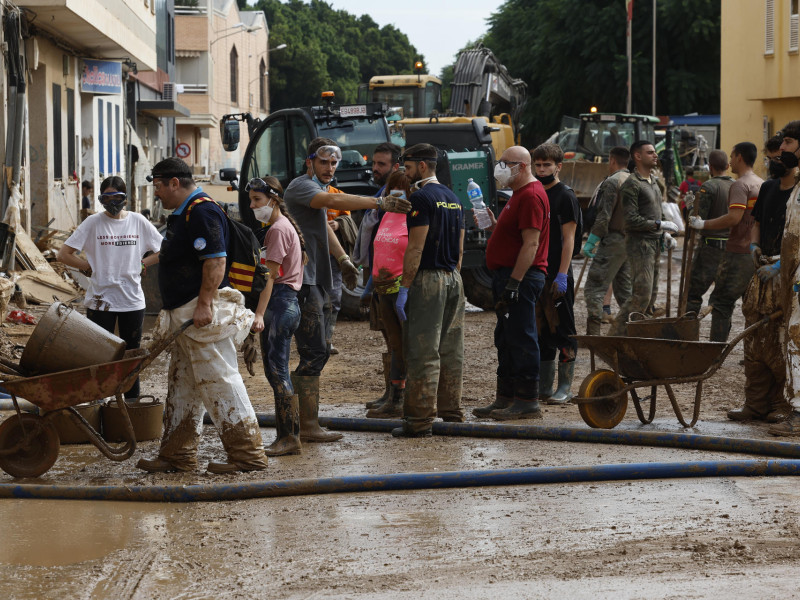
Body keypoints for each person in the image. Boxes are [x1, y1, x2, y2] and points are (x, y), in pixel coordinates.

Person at [136, 157, 267, 474]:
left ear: (174, 183)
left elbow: (215, 261)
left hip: (202, 314)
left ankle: (247, 455)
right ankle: (177, 454)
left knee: (220, 380)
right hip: (185, 316)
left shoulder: (202, 211)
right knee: (182, 386)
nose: (156, 193)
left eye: (157, 186)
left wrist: (205, 304)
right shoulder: (184, 214)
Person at [284, 138, 410, 443]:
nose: (330, 168)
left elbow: (323, 225)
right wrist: (378, 202)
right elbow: (332, 205)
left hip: (316, 278)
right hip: (304, 281)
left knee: (318, 349)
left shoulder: (319, 190)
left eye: (334, 163)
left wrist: (342, 259)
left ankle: (302, 422)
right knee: (314, 352)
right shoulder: (301, 187)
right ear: (310, 161)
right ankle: (305, 425)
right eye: (324, 162)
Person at [58, 176, 162, 402]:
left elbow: (163, 250)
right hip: (99, 300)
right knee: (99, 355)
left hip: (132, 300)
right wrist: (87, 266)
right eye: (107, 197)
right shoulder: (93, 223)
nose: (112, 202)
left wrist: (143, 263)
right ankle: (99, 403)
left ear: (125, 198)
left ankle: (132, 403)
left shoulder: (138, 221)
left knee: (130, 356)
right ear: (100, 199)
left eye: (117, 197)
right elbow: (63, 254)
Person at [392, 143, 465, 437]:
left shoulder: (421, 198)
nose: (405, 174)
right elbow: (459, 250)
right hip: (453, 278)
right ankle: (451, 413)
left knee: (423, 350)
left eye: (407, 168)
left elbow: (416, 248)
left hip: (428, 280)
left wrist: (404, 287)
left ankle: (419, 421)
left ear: (422, 166)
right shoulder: (454, 198)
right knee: (451, 350)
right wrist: (453, 279)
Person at [472, 146, 550, 420]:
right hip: (508, 276)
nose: (501, 168)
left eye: (506, 163)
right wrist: (495, 226)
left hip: (521, 278)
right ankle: (505, 397)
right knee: (506, 338)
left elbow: (531, 244)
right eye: (500, 163)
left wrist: (514, 284)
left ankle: (527, 400)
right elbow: (518, 235)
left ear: (523, 166)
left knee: (522, 338)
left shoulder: (529, 195)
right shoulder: (519, 194)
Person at [727, 126, 799, 424]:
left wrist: (783, 264)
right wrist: (755, 245)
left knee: (781, 341)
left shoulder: (797, 192)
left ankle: (780, 403)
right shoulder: (769, 188)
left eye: (787, 144)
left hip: (787, 275)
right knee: (755, 339)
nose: (779, 153)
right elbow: (755, 220)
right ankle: (755, 403)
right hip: (763, 271)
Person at [247, 176, 307, 455]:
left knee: (278, 372)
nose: (252, 206)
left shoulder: (277, 230)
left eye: (257, 200)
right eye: (251, 200)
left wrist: (258, 314)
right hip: (285, 304)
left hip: (280, 304)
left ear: (273, 200)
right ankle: (289, 435)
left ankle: (289, 437)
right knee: (276, 372)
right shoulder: (281, 227)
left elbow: (269, 277)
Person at [688, 142, 763, 342]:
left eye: (732, 156)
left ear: (739, 157)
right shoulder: (761, 183)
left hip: (737, 252)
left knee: (720, 303)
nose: (730, 161)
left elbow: (734, 218)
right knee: (753, 304)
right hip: (754, 251)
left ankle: (715, 351)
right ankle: (754, 349)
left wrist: (703, 224)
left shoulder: (741, 184)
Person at [609, 141, 680, 336]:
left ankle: (636, 334)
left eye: (654, 152)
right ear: (637, 156)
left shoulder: (654, 182)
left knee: (649, 298)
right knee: (641, 295)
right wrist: (659, 225)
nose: (655, 155)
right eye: (650, 152)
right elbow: (630, 220)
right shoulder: (632, 184)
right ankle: (614, 336)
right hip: (640, 244)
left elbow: (658, 209)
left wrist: (664, 231)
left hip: (654, 242)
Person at [529, 143, 581, 406]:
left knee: (564, 329)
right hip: (537, 272)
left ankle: (565, 387)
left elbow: (568, 239)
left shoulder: (565, 196)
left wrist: (562, 274)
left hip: (558, 273)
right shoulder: (535, 192)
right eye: (537, 165)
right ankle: (545, 387)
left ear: (558, 166)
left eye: (546, 165)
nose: (541, 169)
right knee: (542, 329)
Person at [365, 171, 413, 418]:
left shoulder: (413, 218)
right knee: (395, 345)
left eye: (401, 189)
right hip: (383, 288)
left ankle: (406, 397)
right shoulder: (386, 216)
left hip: (400, 289)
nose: (395, 193)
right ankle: (394, 396)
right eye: (391, 188)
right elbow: (378, 251)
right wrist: (368, 288)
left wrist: (407, 288)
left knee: (406, 345)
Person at [358, 142, 402, 410]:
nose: (375, 168)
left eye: (381, 164)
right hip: (377, 275)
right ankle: (390, 393)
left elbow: (391, 248)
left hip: (388, 278)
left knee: (396, 337)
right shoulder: (380, 194)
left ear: (396, 167)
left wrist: (370, 286)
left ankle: (397, 397)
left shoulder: (395, 200)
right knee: (388, 336)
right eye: (374, 163)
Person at [765, 122, 800, 436]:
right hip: (793, 276)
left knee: (798, 340)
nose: (783, 148)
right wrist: (782, 263)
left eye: (788, 142)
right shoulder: (797, 187)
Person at [582, 146, 631, 335]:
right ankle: (632, 332)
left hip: (613, 240)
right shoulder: (635, 181)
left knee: (594, 287)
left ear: (611, 160)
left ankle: (593, 335)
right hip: (629, 241)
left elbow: (604, 216)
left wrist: (592, 240)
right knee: (625, 291)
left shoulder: (613, 182)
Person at [684, 150, 735, 318]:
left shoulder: (709, 186)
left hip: (710, 248)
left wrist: (690, 206)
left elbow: (696, 220)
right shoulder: (736, 185)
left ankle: (688, 328)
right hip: (732, 247)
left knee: (693, 292)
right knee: (723, 296)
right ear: (727, 166)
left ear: (710, 168)